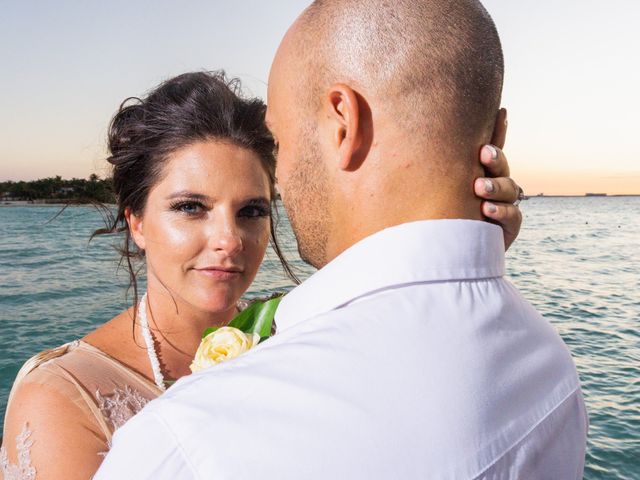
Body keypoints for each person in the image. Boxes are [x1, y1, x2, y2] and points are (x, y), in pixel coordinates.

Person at [95, 0, 588, 479]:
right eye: (190, 207)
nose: (281, 175)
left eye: (279, 141)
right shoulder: (553, 366)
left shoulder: (188, 445)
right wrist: (457, 246)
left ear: (343, 124)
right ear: (498, 132)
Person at [0, 67, 521, 480]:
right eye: (190, 207)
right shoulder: (65, 398)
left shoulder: (300, 330)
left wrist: (470, 232)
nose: (230, 240)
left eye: (252, 210)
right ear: (136, 220)